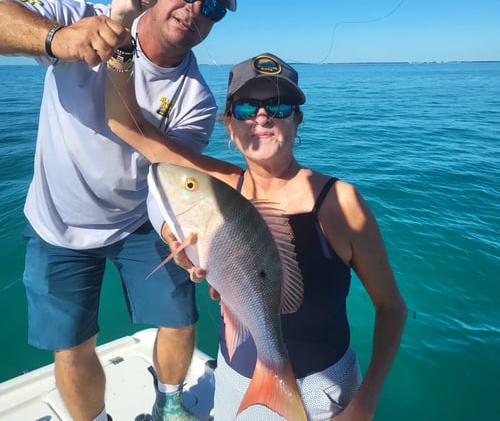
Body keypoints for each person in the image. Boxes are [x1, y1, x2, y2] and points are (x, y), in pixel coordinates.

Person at [0, 0, 239, 421]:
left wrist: (180, 231)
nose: (195, 8)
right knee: (71, 345)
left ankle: (170, 403)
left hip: (141, 220)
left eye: (212, 6)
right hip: (58, 223)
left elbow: (166, 177)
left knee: (179, 319)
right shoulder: (79, 14)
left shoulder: (198, 100)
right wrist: (58, 40)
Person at [105, 51, 408, 420]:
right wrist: (121, 55)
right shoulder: (217, 189)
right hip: (235, 381)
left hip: (321, 391)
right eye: (246, 108)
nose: (262, 117)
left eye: (278, 107)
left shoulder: (340, 201)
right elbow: (126, 124)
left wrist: (366, 399)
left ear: (297, 121)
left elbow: (391, 308)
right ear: (229, 125)